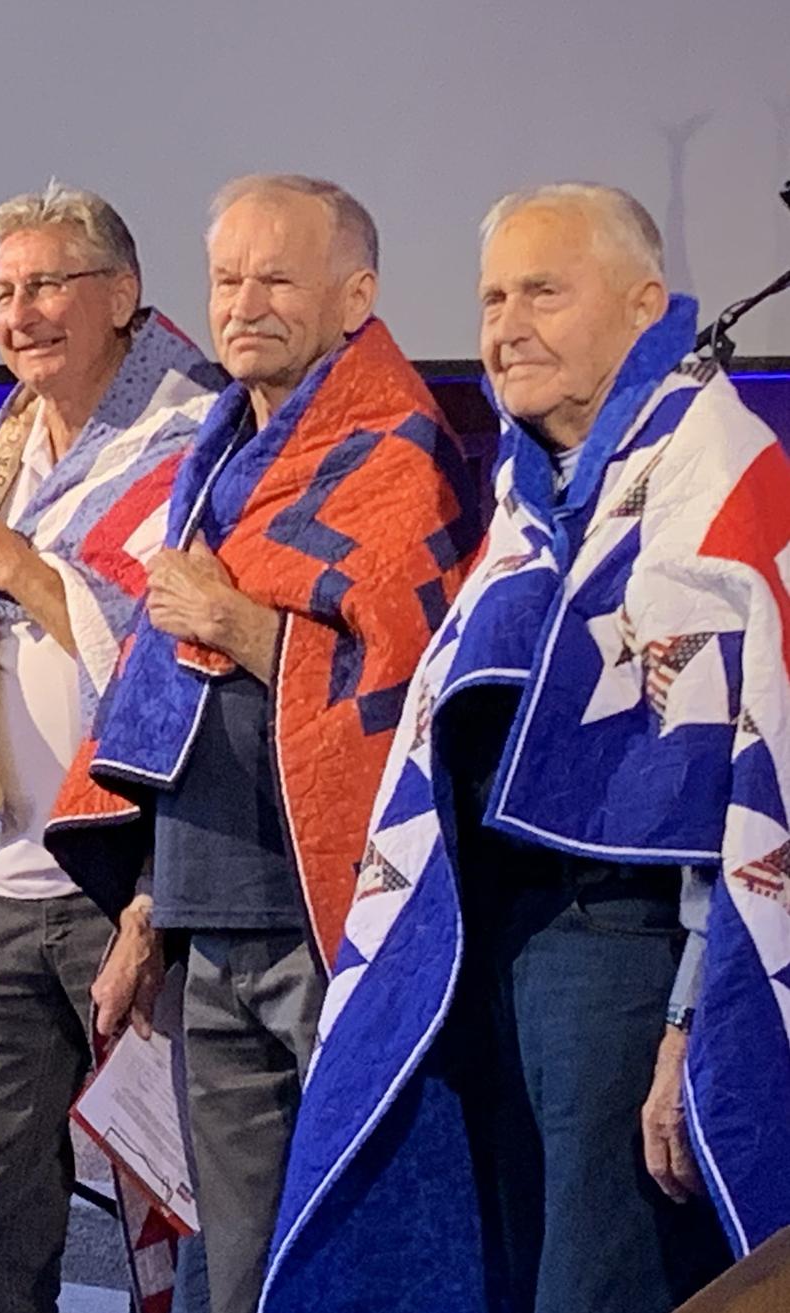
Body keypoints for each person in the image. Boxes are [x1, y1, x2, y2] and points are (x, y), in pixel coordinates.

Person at [266, 184, 781, 1313]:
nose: (505, 324)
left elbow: (744, 787)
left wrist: (691, 1018)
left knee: (596, 1286)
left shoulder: (719, 484)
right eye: (493, 296)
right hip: (497, 947)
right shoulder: (524, 499)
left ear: (648, 306)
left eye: (543, 290)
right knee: (496, 1268)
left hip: (628, 949)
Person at [85, 174, 478, 1313]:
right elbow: (175, 708)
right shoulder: (212, 460)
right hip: (211, 911)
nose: (244, 302)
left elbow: (407, 689)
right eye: (226, 278)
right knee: (236, 1252)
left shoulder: (401, 452)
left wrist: (240, 623)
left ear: (357, 297)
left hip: (334, 916)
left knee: (352, 1219)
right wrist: (150, 900)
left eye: (277, 277)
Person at [0, 182, 223, 1313]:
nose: (21, 314)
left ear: (123, 293)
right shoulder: (0, 447)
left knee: (172, 1190)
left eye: (47, 283)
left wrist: (27, 575)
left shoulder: (192, 435)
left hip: (124, 874)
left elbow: (174, 648)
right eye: (3, 294)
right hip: (1, 874)